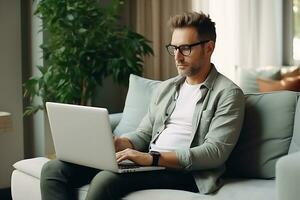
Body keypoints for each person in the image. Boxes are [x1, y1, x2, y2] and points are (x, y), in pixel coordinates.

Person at [40, 11, 245, 200]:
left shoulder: (228, 94)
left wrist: (153, 159)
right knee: (54, 170)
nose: (177, 56)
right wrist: (121, 143)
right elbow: (144, 134)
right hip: (148, 163)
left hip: (185, 173)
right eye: (174, 48)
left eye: (185, 48)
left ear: (209, 48)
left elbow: (214, 153)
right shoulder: (165, 89)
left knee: (106, 180)